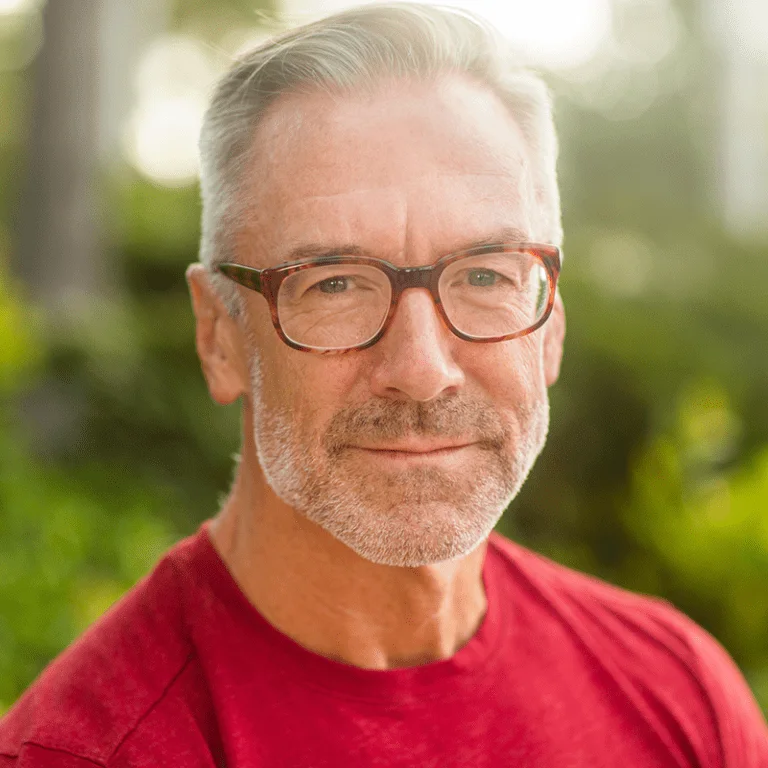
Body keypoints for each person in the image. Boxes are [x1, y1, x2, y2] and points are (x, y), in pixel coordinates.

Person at [2, 3, 767, 766]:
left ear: (551, 327)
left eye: (484, 276)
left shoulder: (680, 697)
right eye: (334, 284)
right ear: (219, 336)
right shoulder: (88, 752)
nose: (423, 371)